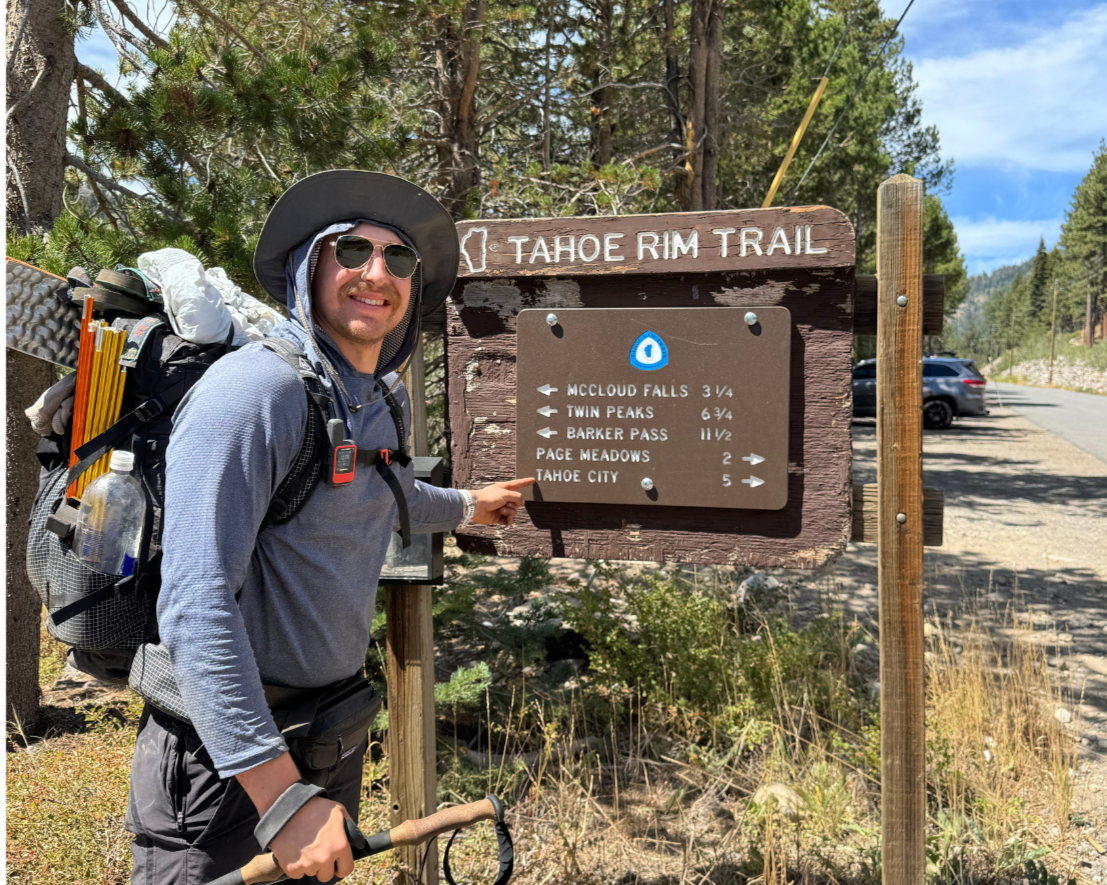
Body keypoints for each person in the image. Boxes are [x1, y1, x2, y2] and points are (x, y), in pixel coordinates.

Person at [124, 171, 534, 884]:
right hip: (228, 769)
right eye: (350, 250)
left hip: (323, 740)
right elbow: (194, 603)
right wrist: (280, 796)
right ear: (309, 268)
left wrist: (469, 505)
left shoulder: (372, 399)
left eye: (397, 257)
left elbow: (381, 491)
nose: (376, 272)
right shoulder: (255, 392)